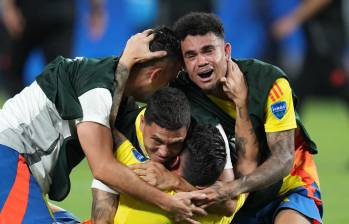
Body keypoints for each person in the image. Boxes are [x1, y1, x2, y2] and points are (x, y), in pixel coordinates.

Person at [0, 27, 206, 223]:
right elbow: (103, 168)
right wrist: (168, 203)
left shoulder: (119, 101)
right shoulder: (98, 87)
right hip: (7, 156)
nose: (168, 88)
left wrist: (180, 185)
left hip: (24, 175)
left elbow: (123, 161)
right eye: (169, 80)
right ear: (156, 74)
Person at [171, 12, 322, 224]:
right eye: (191, 55)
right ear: (183, 62)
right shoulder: (183, 95)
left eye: (208, 50)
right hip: (237, 201)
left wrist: (232, 188)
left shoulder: (269, 82)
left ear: (226, 51)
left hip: (288, 187)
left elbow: (283, 159)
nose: (201, 62)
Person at [90, 87, 251, 224]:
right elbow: (233, 202)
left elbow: (105, 129)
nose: (164, 152)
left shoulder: (137, 172)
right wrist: (178, 183)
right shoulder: (221, 214)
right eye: (157, 141)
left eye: (174, 144)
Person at [0, 0, 106, 96]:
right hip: (23, 15)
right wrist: (8, 8)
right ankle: (26, 112)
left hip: (58, 16)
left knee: (60, 80)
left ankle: (53, 113)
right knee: (9, 73)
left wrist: (97, 9)